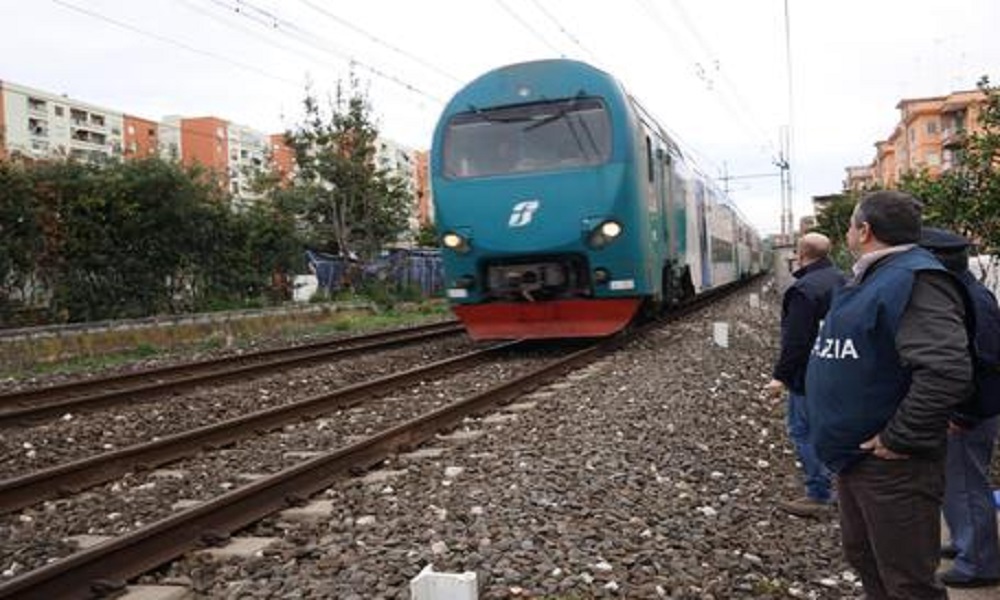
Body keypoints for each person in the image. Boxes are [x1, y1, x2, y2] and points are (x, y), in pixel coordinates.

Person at [805, 191, 973, 600]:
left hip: (890, 465)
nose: (847, 232)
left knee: (908, 581)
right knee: (868, 560)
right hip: (857, 458)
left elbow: (945, 370)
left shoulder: (915, 280)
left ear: (864, 230)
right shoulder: (877, 276)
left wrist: (899, 437)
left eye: (850, 224)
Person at [919, 227, 1000, 589]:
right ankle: (967, 541)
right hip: (966, 408)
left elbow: (983, 361)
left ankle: (979, 563)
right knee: (956, 484)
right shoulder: (964, 293)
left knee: (966, 484)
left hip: (969, 412)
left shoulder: (969, 300)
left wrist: (963, 413)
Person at [764, 232, 846, 516]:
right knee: (833, 428)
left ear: (800, 255)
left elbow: (796, 340)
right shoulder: (843, 279)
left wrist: (780, 377)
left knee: (802, 430)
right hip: (841, 365)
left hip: (809, 373)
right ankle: (844, 489)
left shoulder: (803, 289)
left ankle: (819, 494)